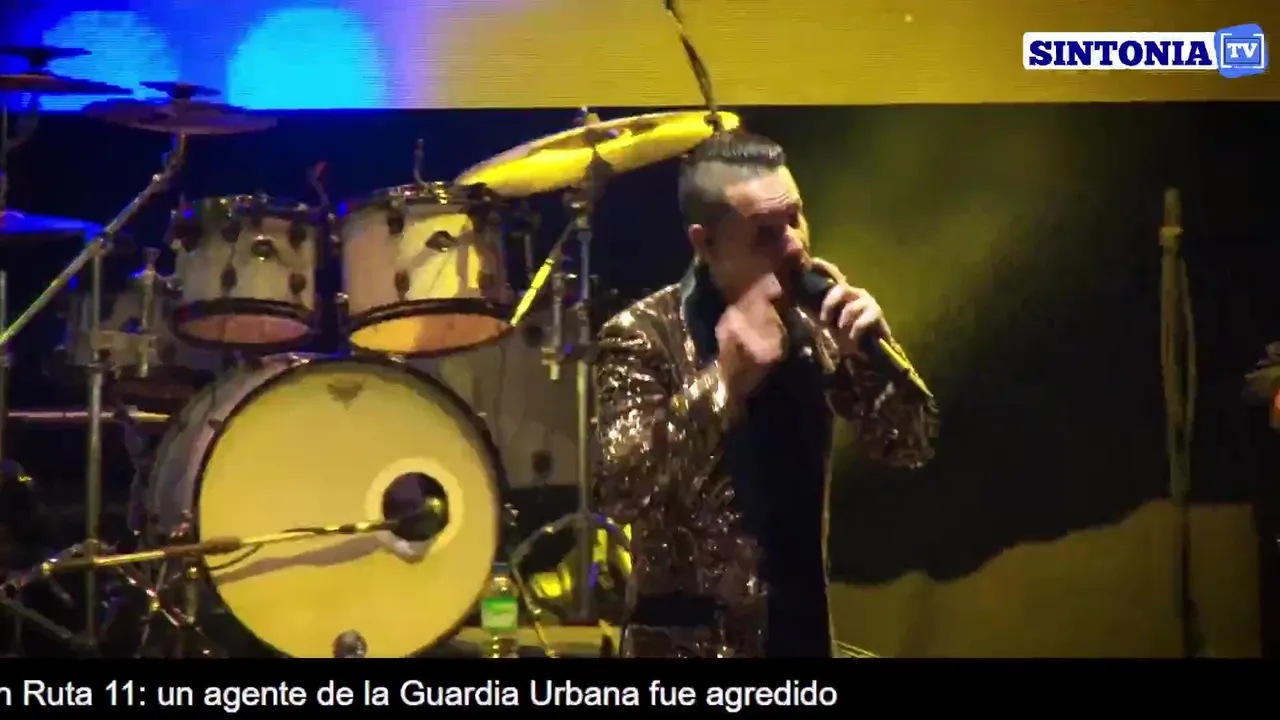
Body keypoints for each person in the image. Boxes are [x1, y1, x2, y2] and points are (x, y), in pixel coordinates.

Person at [594, 131, 940, 658]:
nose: (795, 244)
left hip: (801, 636)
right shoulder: (643, 334)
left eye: (796, 217)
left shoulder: (816, 316)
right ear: (706, 243)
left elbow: (910, 445)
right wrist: (722, 384)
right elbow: (620, 489)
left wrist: (869, 358)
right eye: (766, 233)